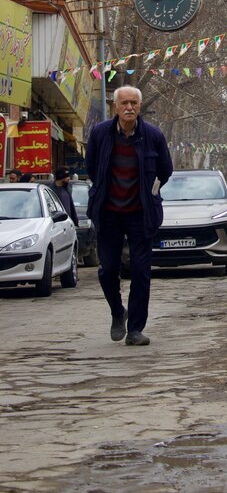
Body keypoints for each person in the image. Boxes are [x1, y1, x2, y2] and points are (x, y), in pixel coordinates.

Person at [86, 86, 173, 346]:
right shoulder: (100, 134)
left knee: (141, 271)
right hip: (108, 213)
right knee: (108, 269)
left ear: (140, 105)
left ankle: (135, 329)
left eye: (134, 103)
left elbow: (165, 171)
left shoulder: (153, 136)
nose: (129, 107)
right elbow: (92, 167)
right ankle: (117, 312)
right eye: (124, 103)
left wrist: (150, 192)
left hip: (140, 214)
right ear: (115, 107)